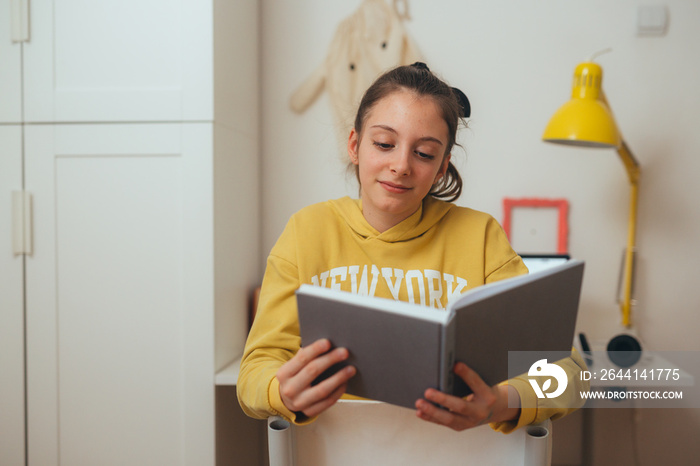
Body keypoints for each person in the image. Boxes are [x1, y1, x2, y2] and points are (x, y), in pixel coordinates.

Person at [237, 62, 588, 433]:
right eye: (385, 144)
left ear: (441, 168)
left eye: (423, 153)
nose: (401, 165)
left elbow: (572, 374)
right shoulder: (306, 231)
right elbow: (254, 374)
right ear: (355, 145)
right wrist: (281, 392)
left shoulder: (480, 236)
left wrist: (498, 404)